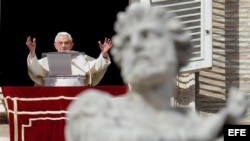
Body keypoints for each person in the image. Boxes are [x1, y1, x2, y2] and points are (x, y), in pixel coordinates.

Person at [65, 3, 249, 141]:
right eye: (127, 41)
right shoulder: (96, 110)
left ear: (177, 50)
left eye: (147, 35)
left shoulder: (197, 124)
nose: (135, 45)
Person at [26, 31, 112, 86]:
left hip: (76, 97)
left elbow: (97, 67)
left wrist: (103, 53)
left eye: (66, 43)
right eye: (60, 43)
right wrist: (33, 52)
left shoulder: (82, 58)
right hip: (53, 96)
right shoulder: (46, 61)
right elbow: (35, 70)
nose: (63, 46)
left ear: (72, 45)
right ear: (55, 46)